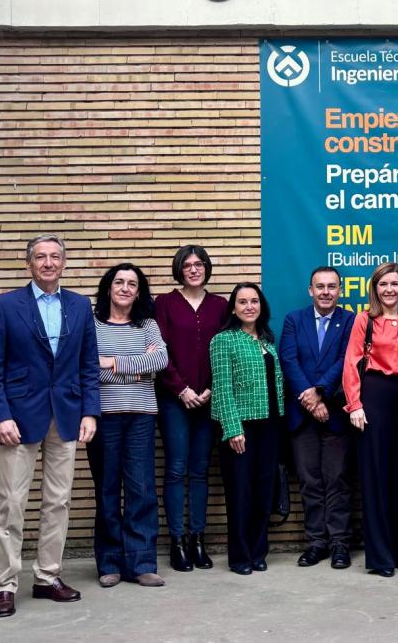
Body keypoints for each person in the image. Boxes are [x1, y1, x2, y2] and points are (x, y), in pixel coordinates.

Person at [0, 234, 100, 618]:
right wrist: (0, 415)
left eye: (55, 257)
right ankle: (5, 584)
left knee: (58, 502)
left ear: (64, 262)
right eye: (40, 257)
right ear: (29, 263)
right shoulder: (4, 305)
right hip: (17, 418)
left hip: (65, 415)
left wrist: (89, 412)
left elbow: (88, 365)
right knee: (11, 503)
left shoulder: (80, 306)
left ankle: (47, 577)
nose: (48, 263)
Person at [88, 263, 168, 588]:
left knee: (141, 488)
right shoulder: (91, 325)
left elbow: (160, 361)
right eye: (119, 282)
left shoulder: (147, 325)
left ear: (139, 292)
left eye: (132, 284)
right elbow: (88, 368)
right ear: (108, 287)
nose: (124, 288)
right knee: (107, 488)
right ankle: (110, 563)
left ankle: (141, 563)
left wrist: (112, 362)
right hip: (103, 415)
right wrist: (137, 371)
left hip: (141, 415)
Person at [154, 244, 229, 572]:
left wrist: (213, 388)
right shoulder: (165, 303)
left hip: (209, 399)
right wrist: (181, 388)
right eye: (188, 265)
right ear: (180, 269)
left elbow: (226, 347)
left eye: (199, 264)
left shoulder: (220, 306)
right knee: (176, 468)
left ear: (206, 268)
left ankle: (198, 539)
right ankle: (177, 541)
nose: (194, 269)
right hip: (175, 399)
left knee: (200, 470)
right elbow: (158, 351)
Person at [342, 262, 398, 578]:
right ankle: (380, 557)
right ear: (375, 289)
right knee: (375, 477)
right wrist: (355, 405)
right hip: (374, 397)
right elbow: (351, 363)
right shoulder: (365, 321)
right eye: (383, 284)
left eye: (394, 284)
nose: (389, 290)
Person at [280, 266, 357, 569]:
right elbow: (289, 360)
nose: (326, 292)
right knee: (310, 481)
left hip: (336, 413)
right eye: (320, 286)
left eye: (332, 286)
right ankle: (316, 543)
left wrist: (321, 392)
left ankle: (339, 543)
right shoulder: (293, 320)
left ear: (340, 290)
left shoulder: (350, 320)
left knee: (337, 480)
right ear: (310, 290)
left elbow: (346, 360)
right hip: (302, 415)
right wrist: (311, 401)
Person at [210, 282, 285, 576]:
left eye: (254, 301)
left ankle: (258, 552)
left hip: (270, 424)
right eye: (242, 302)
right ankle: (240, 556)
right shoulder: (223, 340)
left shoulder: (267, 339)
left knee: (263, 492)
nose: (249, 306)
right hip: (241, 427)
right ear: (233, 308)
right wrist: (232, 428)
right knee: (240, 493)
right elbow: (222, 386)